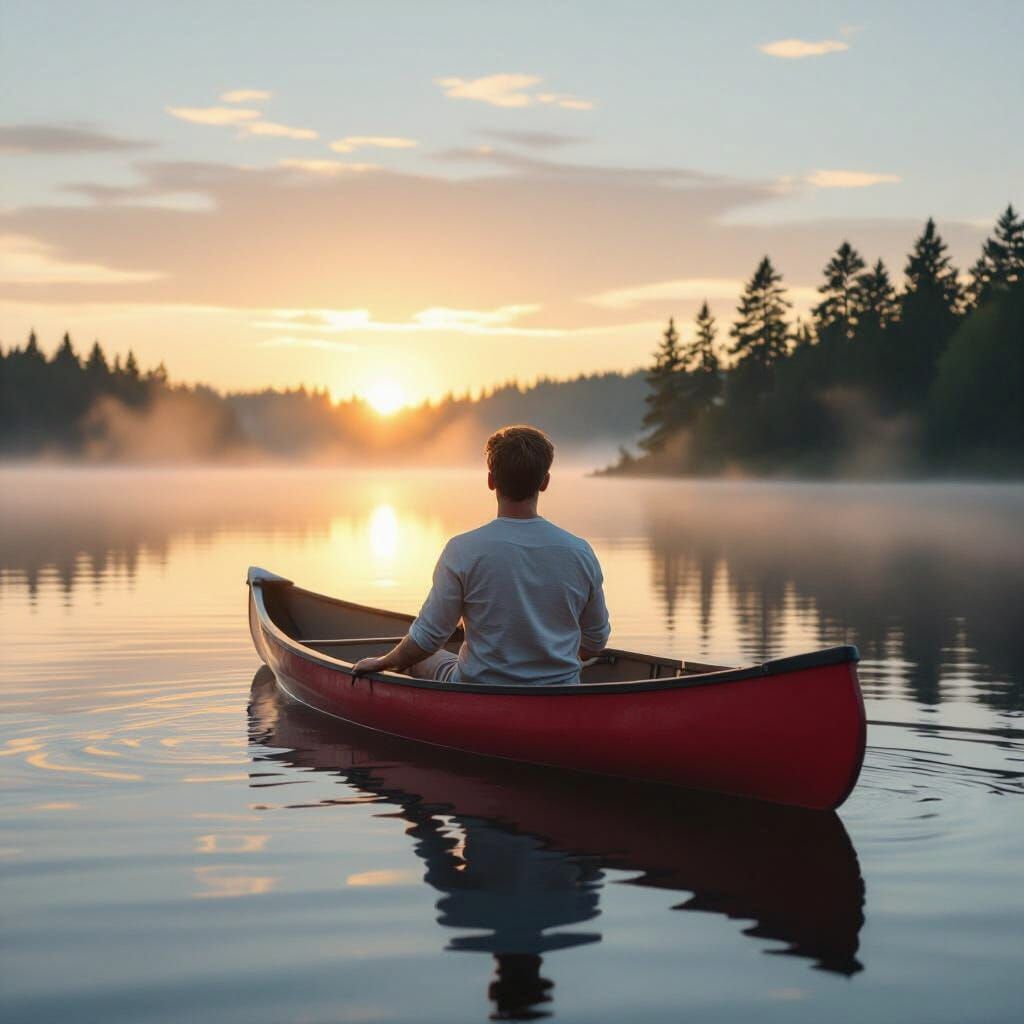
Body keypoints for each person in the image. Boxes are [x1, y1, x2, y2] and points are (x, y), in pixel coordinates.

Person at [352, 424, 611, 685]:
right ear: (545, 482)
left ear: (491, 480)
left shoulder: (462, 550)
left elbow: (427, 639)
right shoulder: (580, 552)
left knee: (419, 659)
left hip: (479, 688)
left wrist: (383, 662)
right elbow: (595, 641)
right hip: (559, 691)